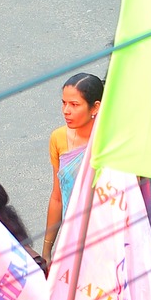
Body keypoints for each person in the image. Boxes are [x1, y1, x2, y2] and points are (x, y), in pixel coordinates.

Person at [42, 73, 103, 262]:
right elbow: (57, 197)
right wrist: (47, 249)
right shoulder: (58, 139)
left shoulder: (109, 142)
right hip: (73, 242)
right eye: (64, 103)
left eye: (74, 105)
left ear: (95, 107)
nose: (66, 111)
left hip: (108, 240)